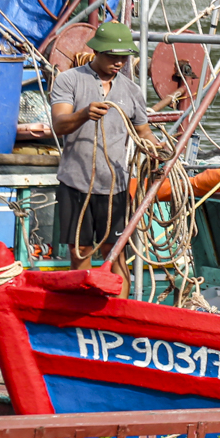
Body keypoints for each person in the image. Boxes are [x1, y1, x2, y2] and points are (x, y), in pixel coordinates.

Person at [50, 21, 163, 279]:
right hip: (76, 183)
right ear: (96, 52)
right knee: (81, 251)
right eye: (112, 56)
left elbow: (143, 132)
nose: (119, 62)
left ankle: (117, 315)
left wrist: (157, 149)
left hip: (115, 186)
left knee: (115, 254)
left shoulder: (132, 91)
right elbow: (59, 125)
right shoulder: (69, 80)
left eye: (123, 57)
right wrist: (83, 115)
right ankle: (83, 316)